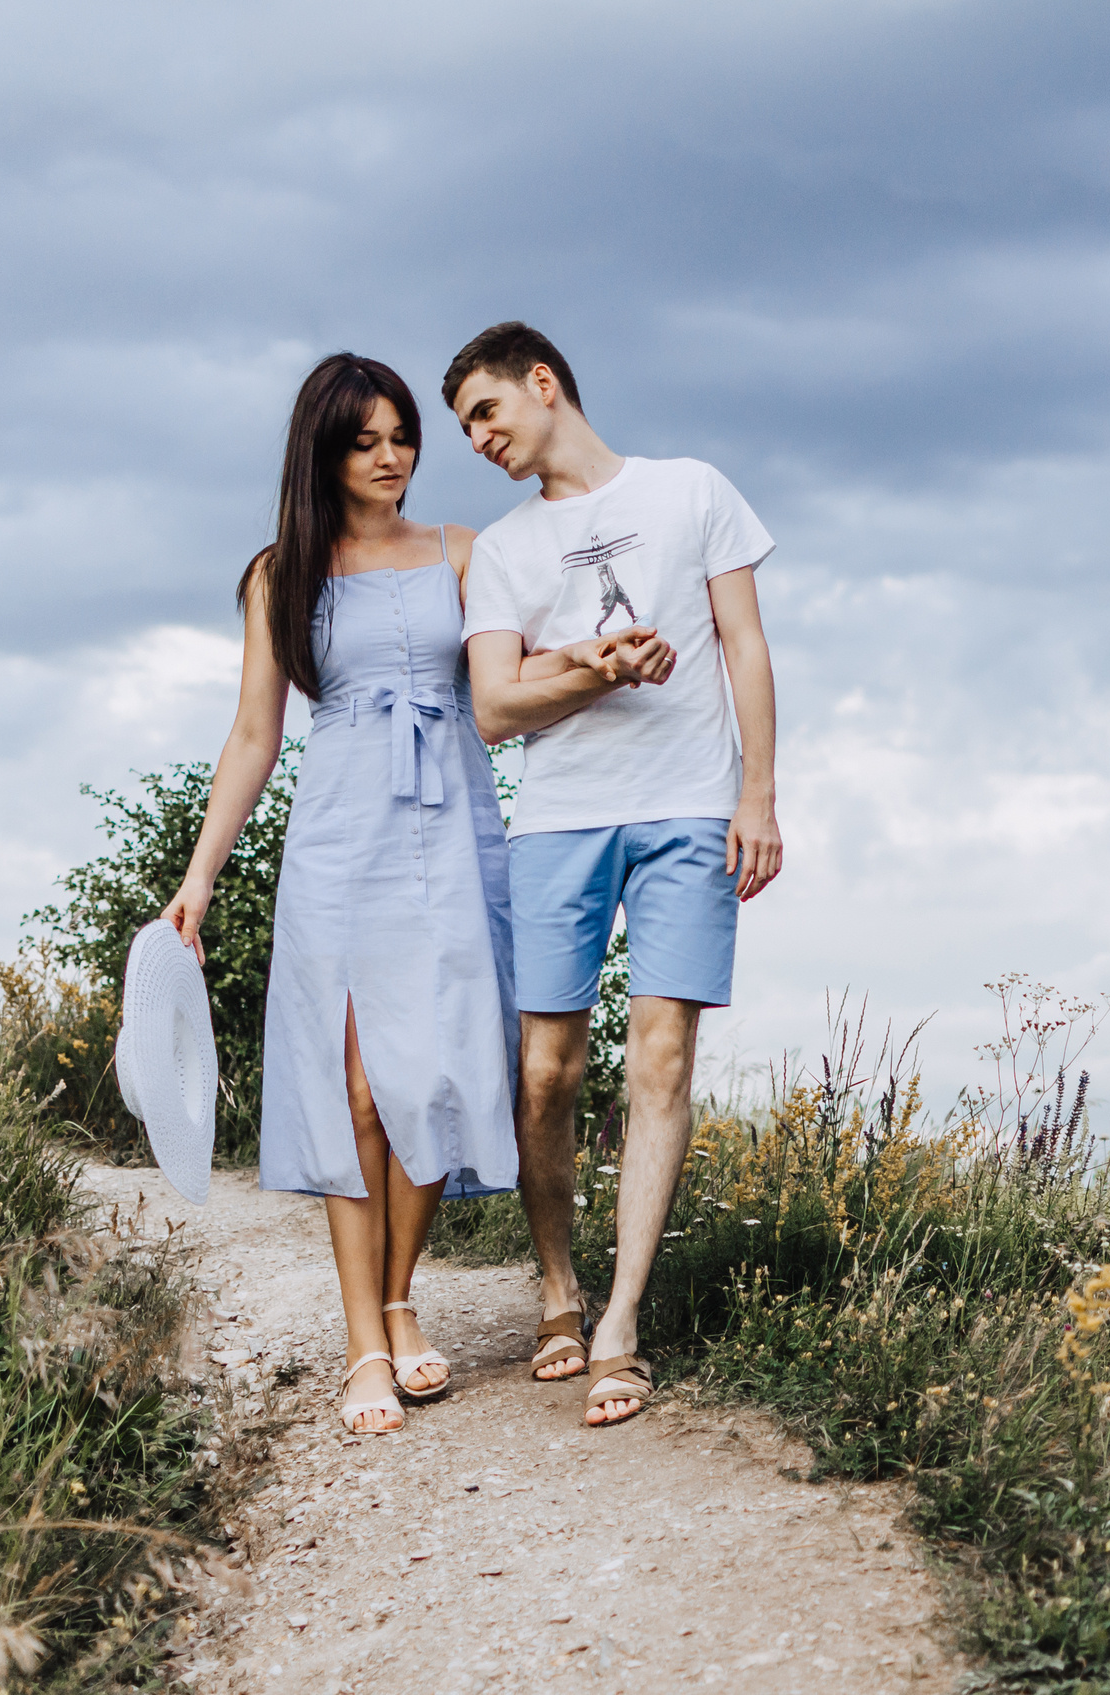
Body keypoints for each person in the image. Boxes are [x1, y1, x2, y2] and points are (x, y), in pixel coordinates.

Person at [161, 353, 646, 1434]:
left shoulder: (464, 553)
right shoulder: (278, 571)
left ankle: (396, 1294)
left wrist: (599, 660)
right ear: (324, 454)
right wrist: (199, 878)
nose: (391, 458)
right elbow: (253, 734)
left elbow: (516, 676)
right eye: (365, 441)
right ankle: (365, 1345)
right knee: (357, 1093)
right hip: (340, 831)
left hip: (453, 828)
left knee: (428, 1076)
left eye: (401, 436)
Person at [447, 321, 784, 1428]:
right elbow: (495, 708)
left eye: (488, 411)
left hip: (689, 806)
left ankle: (619, 1326)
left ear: (544, 384)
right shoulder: (502, 550)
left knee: (662, 1053)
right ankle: (555, 1289)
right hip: (558, 820)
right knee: (546, 1069)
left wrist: (759, 798)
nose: (480, 438)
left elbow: (743, 642)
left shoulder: (692, 491)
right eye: (466, 428)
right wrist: (597, 667)